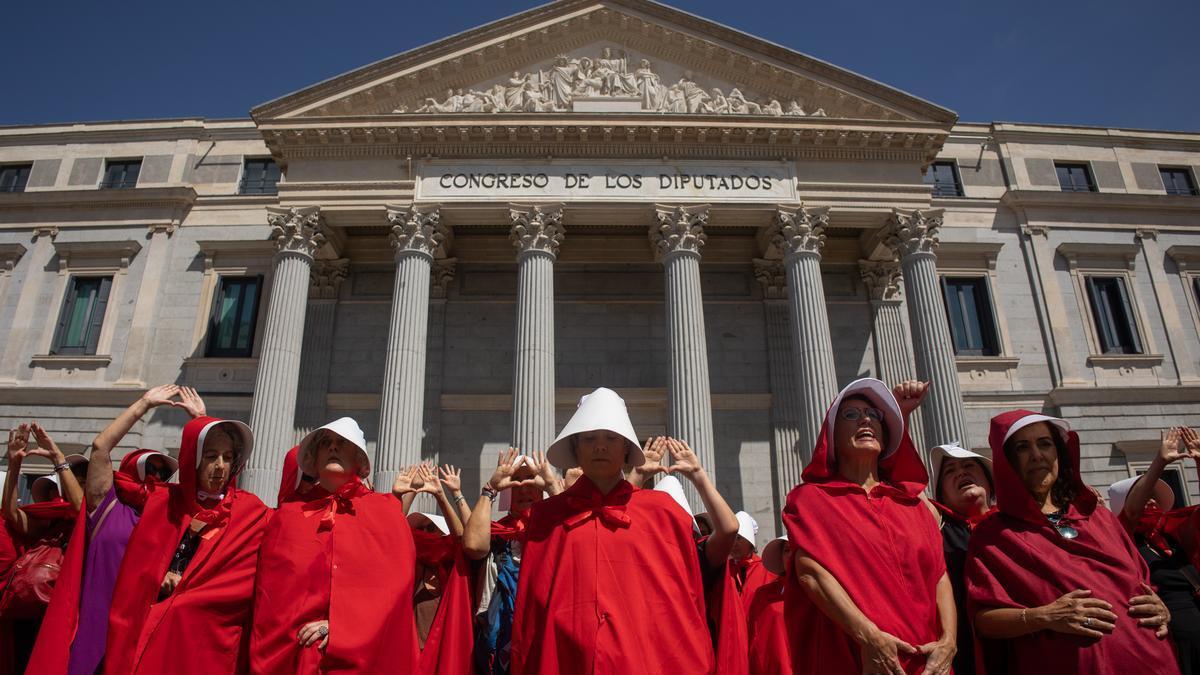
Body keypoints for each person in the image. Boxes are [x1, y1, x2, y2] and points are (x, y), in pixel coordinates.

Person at [511, 387, 716, 674]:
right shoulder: (545, 517)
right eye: (589, 438)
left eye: (611, 438)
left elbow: (683, 603)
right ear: (575, 448)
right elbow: (531, 612)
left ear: (627, 449)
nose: (600, 446)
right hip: (567, 658)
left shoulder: (664, 513)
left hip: (642, 659)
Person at [967, 410, 1177, 674]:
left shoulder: (1100, 518)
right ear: (1007, 460)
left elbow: (1141, 582)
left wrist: (1160, 606)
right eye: (1023, 447)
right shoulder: (993, 535)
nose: (1037, 455)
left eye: (1045, 443)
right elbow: (984, 621)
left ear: (1059, 453)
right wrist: (1044, 616)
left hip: (1151, 661)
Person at [783, 378, 956, 675]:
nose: (865, 419)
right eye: (851, 414)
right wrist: (869, 637)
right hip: (860, 662)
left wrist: (949, 642)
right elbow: (810, 573)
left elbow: (939, 575)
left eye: (874, 415)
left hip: (930, 664)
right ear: (831, 437)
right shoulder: (810, 499)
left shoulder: (912, 505)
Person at [28, 384, 192, 675]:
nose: (156, 476)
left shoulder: (168, 517)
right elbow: (101, 447)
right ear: (130, 467)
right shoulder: (108, 506)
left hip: (139, 634)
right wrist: (144, 404)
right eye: (150, 468)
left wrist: (199, 422)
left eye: (163, 472)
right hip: (95, 631)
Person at [251, 417, 420, 674]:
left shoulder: (385, 511)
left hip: (362, 656)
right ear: (314, 459)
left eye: (342, 442)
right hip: (294, 656)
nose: (333, 447)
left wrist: (341, 627)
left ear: (359, 459)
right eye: (325, 443)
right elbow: (272, 598)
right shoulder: (288, 515)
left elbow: (393, 589)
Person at [105, 412, 268, 674]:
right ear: (193, 458)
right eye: (211, 456)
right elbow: (137, 576)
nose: (220, 466)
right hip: (153, 631)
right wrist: (158, 576)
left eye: (227, 458)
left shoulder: (251, 511)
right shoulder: (162, 502)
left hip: (207, 645)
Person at [1108, 426, 1200, 673]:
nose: (1151, 501)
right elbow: (1132, 513)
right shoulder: (1123, 540)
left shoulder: (1173, 535)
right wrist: (1159, 461)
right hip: (1169, 642)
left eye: (1154, 496)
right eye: (1145, 494)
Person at [463, 449, 561, 675]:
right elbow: (474, 546)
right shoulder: (498, 533)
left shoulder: (555, 533)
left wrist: (550, 485)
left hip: (544, 639)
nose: (523, 488)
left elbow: (574, 533)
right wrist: (490, 488)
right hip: (500, 648)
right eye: (515, 480)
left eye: (529, 479)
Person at [2, 423, 86, 672]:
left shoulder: (97, 520)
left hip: (65, 613)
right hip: (29, 609)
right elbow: (11, 515)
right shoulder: (52, 521)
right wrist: (14, 463)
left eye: (81, 481)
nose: (75, 485)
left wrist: (60, 459)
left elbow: (84, 512)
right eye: (72, 479)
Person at [928, 442, 996, 675]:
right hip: (965, 656)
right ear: (941, 494)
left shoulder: (1015, 525)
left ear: (989, 481)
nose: (960, 472)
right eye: (949, 471)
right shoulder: (936, 529)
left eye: (968, 465)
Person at [747, 535, 790, 675]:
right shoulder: (764, 595)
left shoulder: (820, 593)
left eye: (795, 550)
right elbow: (755, 637)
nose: (790, 555)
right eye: (786, 550)